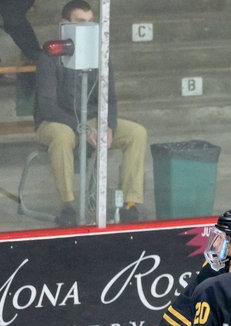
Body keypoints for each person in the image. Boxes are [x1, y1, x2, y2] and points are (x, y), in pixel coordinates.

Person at [34, 1, 148, 226]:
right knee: (62, 136)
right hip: (57, 121)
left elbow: (111, 98)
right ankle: (67, 205)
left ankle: (129, 203)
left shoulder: (100, 53)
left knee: (137, 133)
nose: (88, 28)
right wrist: (82, 128)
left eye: (91, 22)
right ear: (64, 24)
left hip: (93, 119)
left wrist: (109, 125)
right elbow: (46, 105)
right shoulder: (50, 55)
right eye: (80, 22)